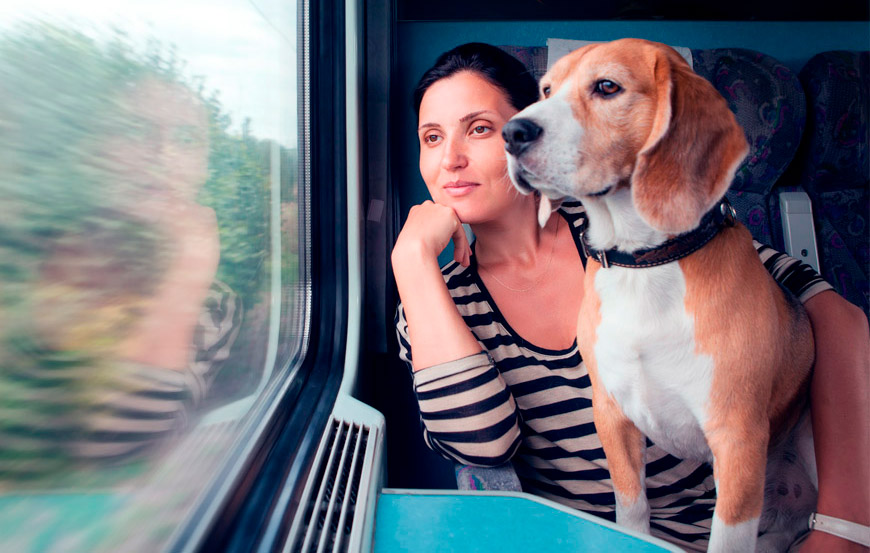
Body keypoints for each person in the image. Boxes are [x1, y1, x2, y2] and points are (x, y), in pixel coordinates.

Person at [391, 42, 869, 552]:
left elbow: (832, 315)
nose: (450, 160)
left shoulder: (634, 221)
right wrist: (413, 261)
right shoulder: (433, 303)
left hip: (730, 522)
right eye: (432, 138)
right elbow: (482, 445)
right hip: (591, 540)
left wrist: (844, 526)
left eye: (481, 128)